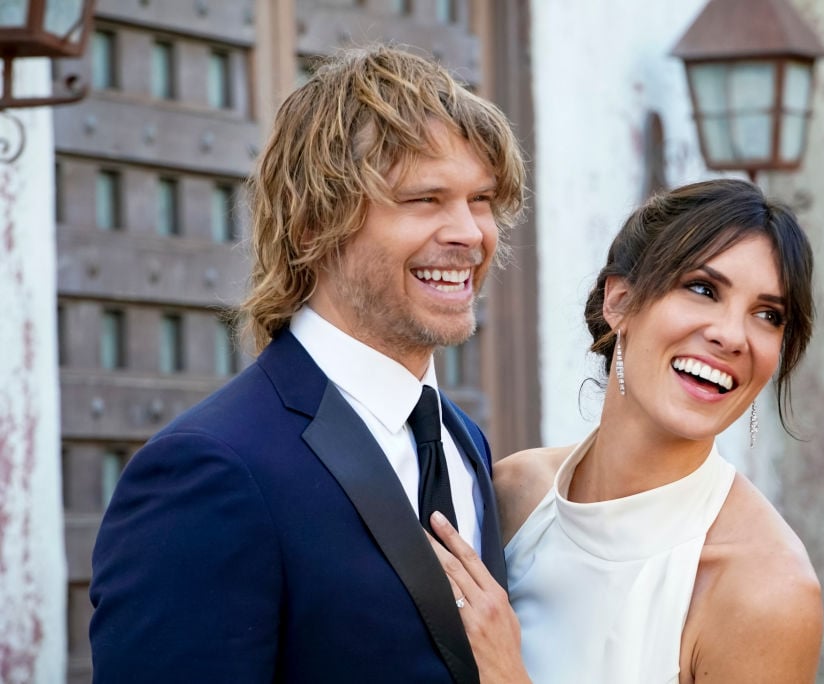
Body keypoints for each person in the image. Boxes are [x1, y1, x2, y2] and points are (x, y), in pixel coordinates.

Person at [89, 44, 525, 682]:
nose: (469, 232)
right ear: (314, 224)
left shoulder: (465, 443)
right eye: (424, 200)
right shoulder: (209, 470)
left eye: (481, 199)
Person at [429, 178, 823, 683]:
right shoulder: (512, 493)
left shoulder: (766, 589)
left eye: (768, 315)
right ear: (619, 301)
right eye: (703, 289)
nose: (732, 335)